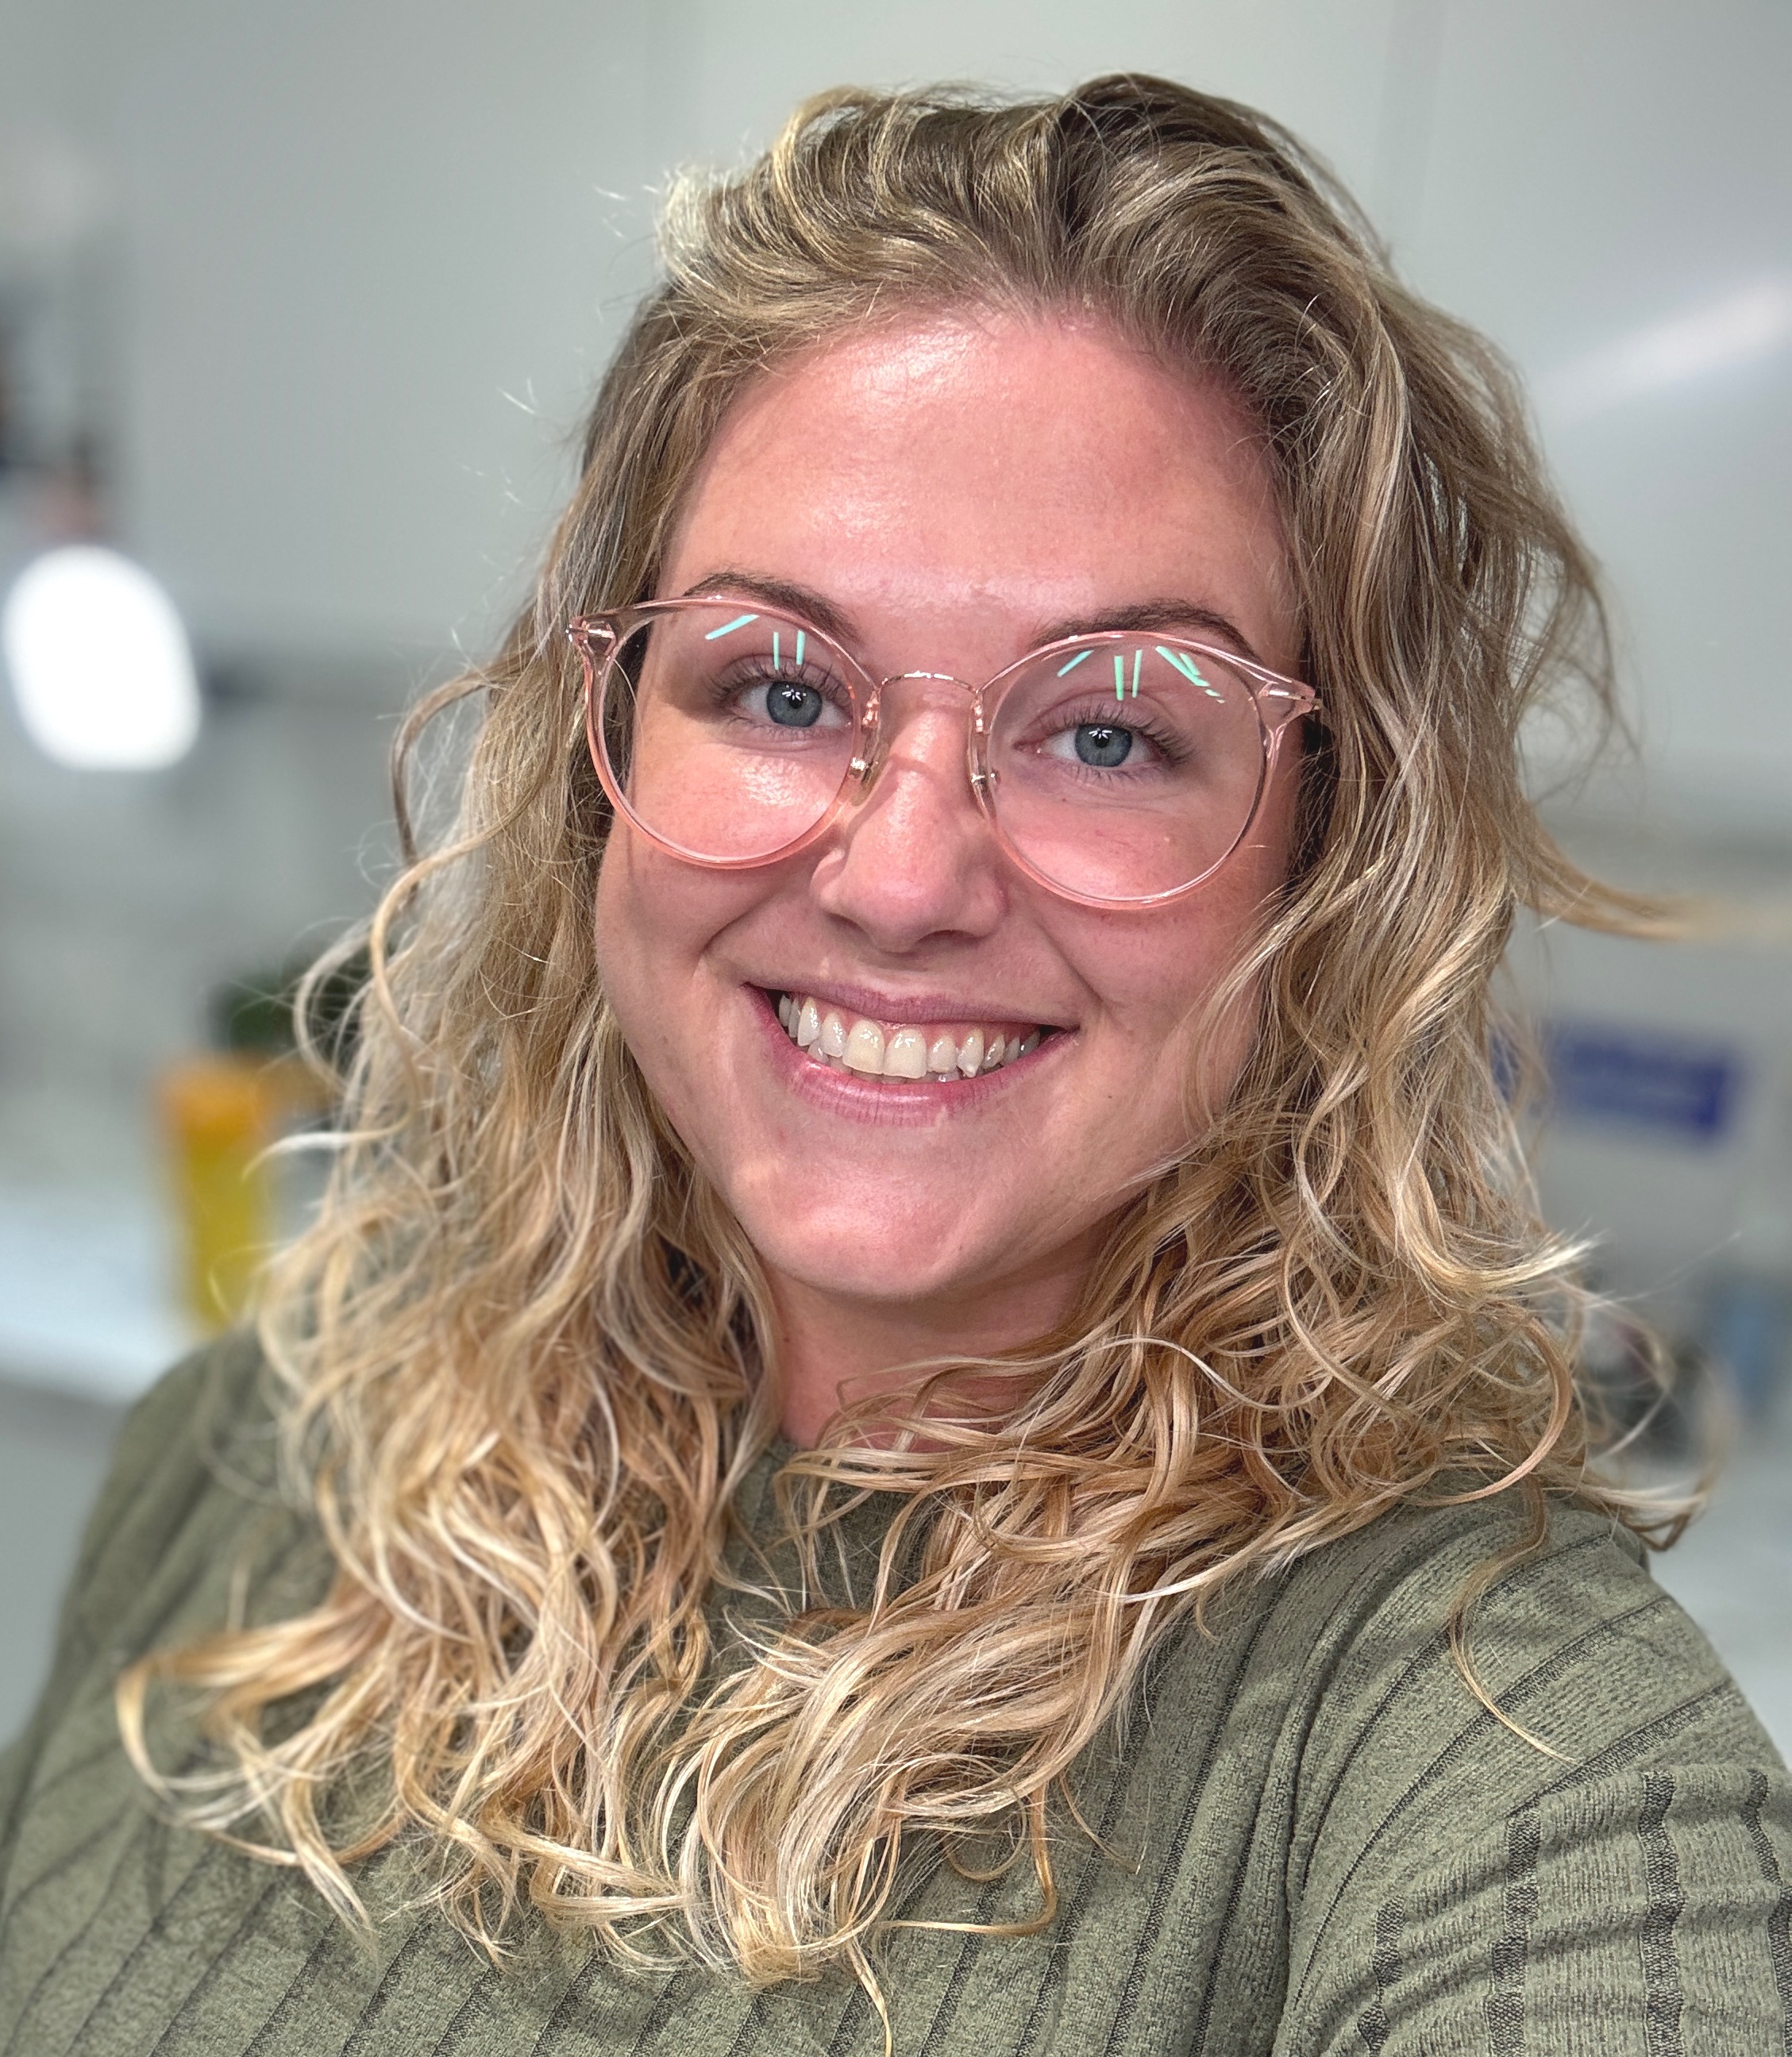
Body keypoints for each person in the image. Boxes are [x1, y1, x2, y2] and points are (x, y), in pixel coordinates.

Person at [2, 74, 1787, 2057]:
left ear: (1325, 865)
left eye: (1110, 732)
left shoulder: (1485, 1731)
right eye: (779, 688)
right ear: (602, 758)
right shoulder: (252, 1455)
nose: (902, 877)